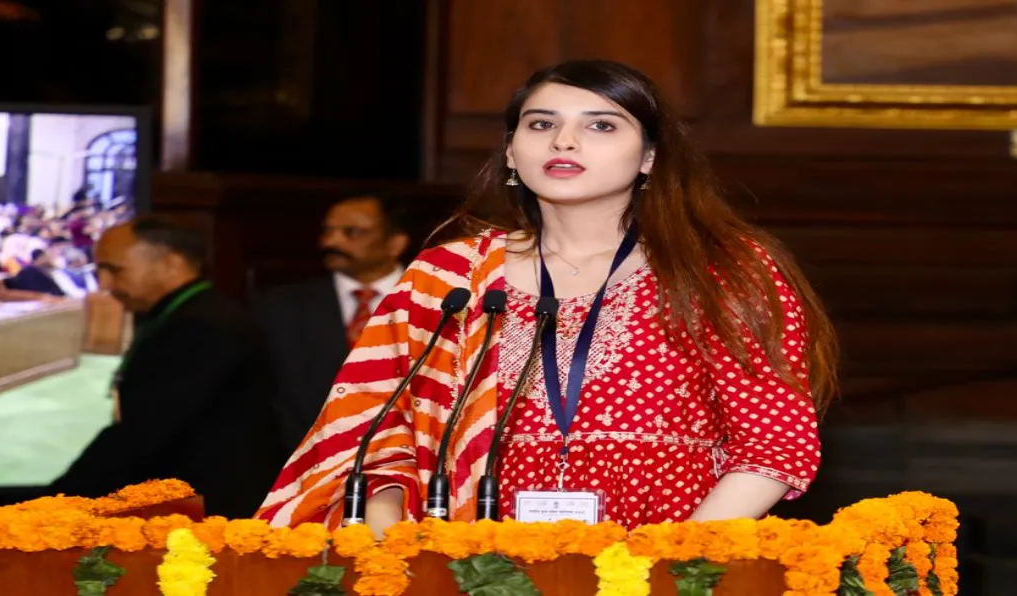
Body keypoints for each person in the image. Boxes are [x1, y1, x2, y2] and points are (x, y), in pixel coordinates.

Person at [255, 60, 838, 535]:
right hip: (471, 560)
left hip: (672, 558)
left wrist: (675, 564)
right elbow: (374, 440)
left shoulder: (720, 272)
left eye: (601, 125)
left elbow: (773, 444)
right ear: (511, 152)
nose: (564, 140)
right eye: (539, 124)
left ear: (651, 156)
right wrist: (398, 553)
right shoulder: (448, 276)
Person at [50, 215, 285, 519]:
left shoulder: (203, 326)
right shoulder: (192, 314)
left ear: (171, 265)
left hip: (208, 515)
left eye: (114, 270)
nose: (104, 284)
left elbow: (143, 434)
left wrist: (57, 501)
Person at [253, 195, 409, 454]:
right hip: (306, 467)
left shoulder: (436, 300)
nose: (331, 242)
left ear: (395, 243)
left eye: (352, 232)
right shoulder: (282, 307)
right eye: (328, 231)